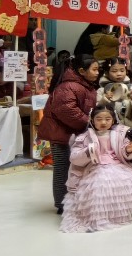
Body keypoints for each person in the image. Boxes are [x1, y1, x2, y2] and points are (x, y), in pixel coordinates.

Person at [59, 105, 132, 233]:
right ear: (92, 120)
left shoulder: (120, 134)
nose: (103, 122)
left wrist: (127, 150)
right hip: (95, 166)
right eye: (99, 119)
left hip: (116, 164)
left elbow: (122, 151)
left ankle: (116, 216)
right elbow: (75, 156)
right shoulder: (85, 137)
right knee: (99, 186)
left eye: (107, 119)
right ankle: (98, 217)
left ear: (113, 120)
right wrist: (88, 152)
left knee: (124, 184)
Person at [38, 55, 100, 215]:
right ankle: (61, 203)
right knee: (63, 168)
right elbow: (67, 111)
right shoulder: (68, 87)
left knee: (74, 168)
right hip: (62, 135)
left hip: (74, 134)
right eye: (94, 69)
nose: (97, 72)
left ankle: (74, 200)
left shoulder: (85, 85)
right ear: (82, 71)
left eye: (98, 69)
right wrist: (89, 122)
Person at [96, 57, 132, 129]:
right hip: (110, 129)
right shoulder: (102, 91)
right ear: (107, 73)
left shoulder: (131, 89)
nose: (119, 74)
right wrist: (105, 100)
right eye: (114, 71)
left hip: (130, 128)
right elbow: (96, 111)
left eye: (122, 70)